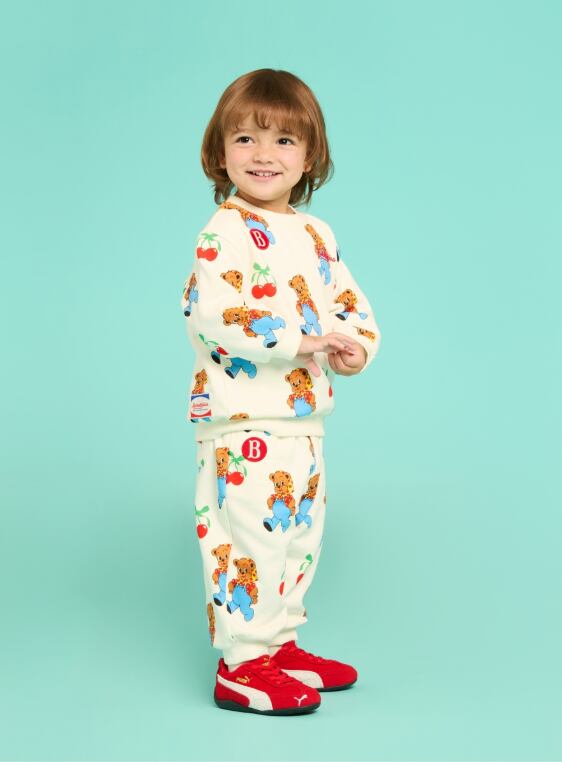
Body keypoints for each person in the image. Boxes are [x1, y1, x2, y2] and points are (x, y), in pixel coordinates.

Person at [180, 68, 381, 716]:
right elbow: (216, 316)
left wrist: (353, 348)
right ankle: (242, 664)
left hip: (304, 420)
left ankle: (280, 645)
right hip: (243, 423)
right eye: (245, 138)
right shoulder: (224, 232)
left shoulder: (317, 235)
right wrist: (301, 340)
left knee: (298, 540)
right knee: (251, 544)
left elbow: (350, 306)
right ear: (220, 153)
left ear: (310, 156)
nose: (263, 154)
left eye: (284, 141)